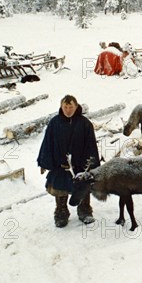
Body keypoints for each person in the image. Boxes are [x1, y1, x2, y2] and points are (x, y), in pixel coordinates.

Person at [37, 95, 100, 228]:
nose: (68, 110)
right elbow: (47, 143)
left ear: (76, 107)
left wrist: (92, 165)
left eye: (71, 107)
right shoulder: (54, 123)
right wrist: (44, 162)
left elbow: (91, 145)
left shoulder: (85, 123)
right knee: (60, 191)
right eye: (65, 107)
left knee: (83, 189)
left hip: (80, 166)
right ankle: (61, 214)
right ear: (61, 107)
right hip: (61, 166)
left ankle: (85, 211)